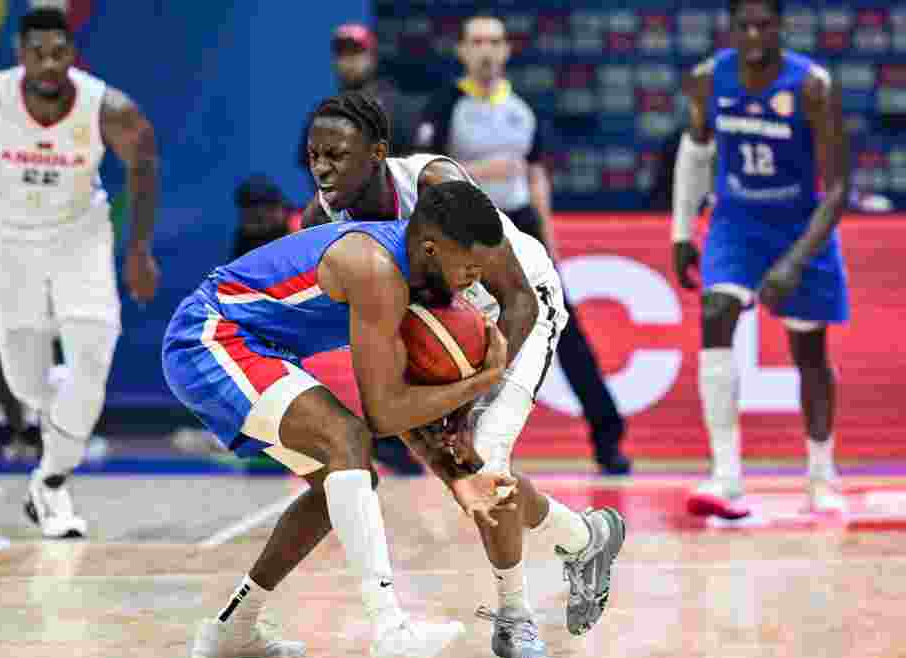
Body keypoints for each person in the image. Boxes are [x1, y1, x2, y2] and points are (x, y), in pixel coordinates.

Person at [299, 92, 626, 658]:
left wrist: (474, 399)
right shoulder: (318, 225)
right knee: (470, 477)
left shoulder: (435, 183)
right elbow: (373, 345)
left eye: (337, 155)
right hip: (441, 332)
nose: (322, 168)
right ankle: (584, 538)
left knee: (487, 458)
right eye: (314, 155)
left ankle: (515, 619)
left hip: (516, 313)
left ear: (377, 155)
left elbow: (518, 294)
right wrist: (422, 411)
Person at [164, 181, 517, 658]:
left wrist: (458, 479)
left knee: (345, 482)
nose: (472, 282)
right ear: (433, 248)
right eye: (469, 268)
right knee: (347, 439)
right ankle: (390, 633)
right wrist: (484, 379)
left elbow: (392, 402)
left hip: (258, 350)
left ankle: (232, 629)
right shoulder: (374, 268)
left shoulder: (414, 274)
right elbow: (383, 415)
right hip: (210, 336)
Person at [0, 8, 161, 537]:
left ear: (72, 55)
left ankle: (50, 482)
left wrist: (139, 249)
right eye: (37, 54)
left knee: (95, 348)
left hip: (80, 235)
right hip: (7, 239)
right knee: (26, 381)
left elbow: (144, 162)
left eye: (58, 53)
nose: (49, 64)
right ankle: (61, 416)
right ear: (19, 56)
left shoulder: (107, 108)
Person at [415, 13, 631, 476]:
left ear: (507, 50)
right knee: (432, 329)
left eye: (495, 41)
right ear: (463, 51)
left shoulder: (523, 109)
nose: (487, 50)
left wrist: (549, 239)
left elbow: (534, 174)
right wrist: (484, 171)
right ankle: (414, 436)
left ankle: (607, 436)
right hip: (464, 232)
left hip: (521, 226)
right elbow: (426, 173)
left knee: (562, 328)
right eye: (477, 41)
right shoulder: (444, 106)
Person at [671, 0, 850, 519]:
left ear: (781, 28)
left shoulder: (812, 86)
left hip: (801, 225)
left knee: (809, 350)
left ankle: (821, 473)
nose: (753, 34)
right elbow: (696, 152)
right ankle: (726, 476)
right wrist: (682, 231)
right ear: (730, 28)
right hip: (735, 221)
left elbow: (838, 191)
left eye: (764, 24)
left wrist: (793, 263)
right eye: (743, 25)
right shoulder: (707, 79)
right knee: (714, 313)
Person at [297, 23, 417, 180]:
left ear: (372, 57)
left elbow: (411, 161)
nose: (349, 61)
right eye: (342, 54)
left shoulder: (395, 106)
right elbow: (308, 163)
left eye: (356, 53)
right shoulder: (323, 112)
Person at [232, 175, 301, 259]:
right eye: (249, 208)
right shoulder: (245, 239)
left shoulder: (302, 228)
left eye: (270, 207)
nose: (261, 215)